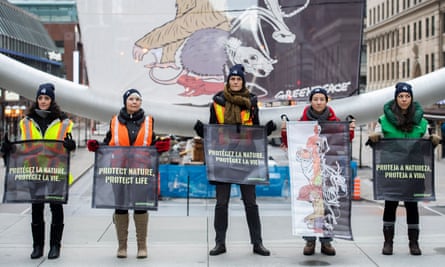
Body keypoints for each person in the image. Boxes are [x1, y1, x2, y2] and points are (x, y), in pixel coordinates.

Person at [195, 64, 276, 257]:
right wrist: (203, 132)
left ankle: (257, 243)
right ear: (228, 81)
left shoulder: (252, 101)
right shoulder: (217, 101)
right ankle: (219, 243)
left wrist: (266, 131)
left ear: (243, 81)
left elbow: (253, 128)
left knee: (251, 202)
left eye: (239, 79)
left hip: (246, 156)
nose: (236, 82)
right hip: (223, 155)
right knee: (221, 202)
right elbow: (214, 129)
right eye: (233, 79)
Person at [87, 88, 170, 259]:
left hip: (141, 171)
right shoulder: (114, 122)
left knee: (140, 206)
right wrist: (97, 147)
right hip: (119, 170)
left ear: (141, 102)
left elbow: (152, 144)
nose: (134, 102)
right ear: (125, 101)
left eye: (137, 99)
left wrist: (160, 147)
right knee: (121, 206)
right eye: (131, 99)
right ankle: (122, 246)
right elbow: (108, 143)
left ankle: (142, 246)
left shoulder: (148, 122)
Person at [1, 83, 76, 260]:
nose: (43, 101)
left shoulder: (64, 122)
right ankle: (37, 246)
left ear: (52, 100)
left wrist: (70, 146)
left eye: (47, 98)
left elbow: (68, 145)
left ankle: (55, 246)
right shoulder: (25, 122)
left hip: (55, 171)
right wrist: (7, 147)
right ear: (37, 100)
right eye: (40, 98)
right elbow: (21, 146)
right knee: (37, 208)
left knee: (56, 207)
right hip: (34, 170)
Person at [366, 82, 441, 256]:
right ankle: (388, 243)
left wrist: (433, 141)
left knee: (412, 205)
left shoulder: (421, 122)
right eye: (401, 96)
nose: (404, 99)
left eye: (407, 96)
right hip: (392, 170)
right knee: (390, 204)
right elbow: (376, 143)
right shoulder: (383, 120)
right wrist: (374, 138)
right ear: (396, 98)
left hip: (413, 170)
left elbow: (426, 143)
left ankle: (414, 243)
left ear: (411, 98)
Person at [282, 87, 355, 256]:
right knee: (312, 206)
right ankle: (309, 240)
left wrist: (349, 129)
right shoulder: (302, 122)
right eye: (315, 99)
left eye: (322, 99)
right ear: (311, 101)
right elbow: (293, 143)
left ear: (326, 101)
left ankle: (326, 241)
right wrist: (286, 130)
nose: (319, 102)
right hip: (312, 174)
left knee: (328, 205)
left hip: (328, 170)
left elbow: (342, 141)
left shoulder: (335, 121)